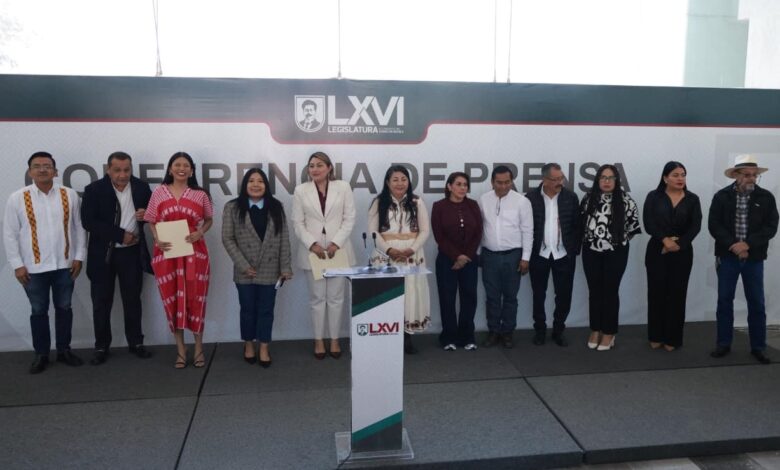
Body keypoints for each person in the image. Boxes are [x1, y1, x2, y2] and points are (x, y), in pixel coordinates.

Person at [3, 151, 87, 373]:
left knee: (64, 308)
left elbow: (79, 227)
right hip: (33, 268)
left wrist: (79, 257)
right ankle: (41, 354)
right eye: (37, 166)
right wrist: (17, 265)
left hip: (65, 265)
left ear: (55, 171)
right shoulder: (17, 198)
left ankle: (64, 350)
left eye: (47, 166)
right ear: (30, 171)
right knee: (38, 311)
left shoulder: (69, 195)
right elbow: (10, 234)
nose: (42, 170)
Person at [81, 151, 154, 365]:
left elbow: (155, 214)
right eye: (117, 170)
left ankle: (136, 343)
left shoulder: (142, 187)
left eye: (126, 170)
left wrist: (146, 215)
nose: (122, 175)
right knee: (101, 302)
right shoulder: (94, 190)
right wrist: (120, 235)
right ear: (108, 170)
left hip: (132, 254)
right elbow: (88, 221)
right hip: (102, 255)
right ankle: (101, 346)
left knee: (133, 300)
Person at [144, 151, 213, 369]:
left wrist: (200, 232)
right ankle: (181, 350)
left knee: (196, 298)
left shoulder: (200, 194)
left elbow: (209, 219)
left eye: (186, 165)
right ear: (170, 168)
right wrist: (157, 238)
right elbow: (151, 220)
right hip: (167, 252)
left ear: (192, 170)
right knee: (172, 299)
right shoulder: (159, 192)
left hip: (194, 252)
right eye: (177, 164)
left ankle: (199, 348)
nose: (181, 168)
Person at [709, 154, 778, 364]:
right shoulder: (722, 196)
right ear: (736, 175)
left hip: (754, 257)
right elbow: (714, 225)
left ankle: (758, 347)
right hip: (727, 257)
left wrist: (747, 245)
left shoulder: (766, 197)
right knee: (724, 300)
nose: (752, 179)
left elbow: (771, 226)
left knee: (756, 302)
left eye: (755, 175)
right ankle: (723, 344)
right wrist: (734, 245)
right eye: (747, 175)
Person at [222, 168, 292, 368]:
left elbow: (284, 239)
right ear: (245, 184)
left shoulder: (276, 206)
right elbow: (227, 238)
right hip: (245, 270)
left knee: (266, 310)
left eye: (260, 181)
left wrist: (285, 267)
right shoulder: (232, 207)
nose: (255, 184)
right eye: (251, 180)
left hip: (270, 269)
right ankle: (248, 344)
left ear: (266, 185)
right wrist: (243, 265)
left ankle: (264, 346)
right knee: (247, 309)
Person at [291, 151, 356, 359]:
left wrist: (337, 243)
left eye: (320, 165)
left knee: (336, 298)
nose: (315, 169)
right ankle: (318, 340)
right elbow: (297, 223)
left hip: (339, 251)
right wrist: (312, 244)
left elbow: (349, 218)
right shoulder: (301, 190)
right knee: (317, 298)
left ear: (329, 168)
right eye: (311, 165)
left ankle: (334, 339)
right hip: (313, 253)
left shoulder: (343, 187)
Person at [368, 165, 431, 354]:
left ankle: (406, 337)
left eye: (404, 179)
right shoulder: (378, 202)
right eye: (395, 179)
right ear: (387, 182)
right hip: (385, 256)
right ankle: (387, 337)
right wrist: (389, 250)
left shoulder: (417, 201)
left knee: (410, 292)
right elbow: (373, 232)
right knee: (387, 294)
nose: (400, 183)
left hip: (412, 255)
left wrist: (411, 249)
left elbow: (425, 230)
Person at [579, 164, 641, 351]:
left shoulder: (626, 201)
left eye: (611, 178)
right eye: (603, 177)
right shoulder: (588, 198)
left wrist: (614, 242)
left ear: (616, 180)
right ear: (598, 180)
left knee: (610, 291)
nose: (606, 181)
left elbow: (633, 228)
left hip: (616, 253)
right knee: (594, 291)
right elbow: (581, 223)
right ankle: (595, 329)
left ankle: (609, 332)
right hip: (591, 251)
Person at [643, 161, 702, 352]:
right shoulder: (653, 197)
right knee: (656, 293)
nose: (680, 178)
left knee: (677, 294)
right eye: (675, 175)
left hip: (682, 252)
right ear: (665, 178)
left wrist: (679, 244)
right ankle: (656, 335)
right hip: (657, 250)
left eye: (683, 175)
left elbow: (695, 226)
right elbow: (648, 223)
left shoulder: (692, 199)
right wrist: (665, 240)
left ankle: (672, 338)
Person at [526, 163, 580, 347]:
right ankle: (540, 330)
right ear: (544, 179)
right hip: (539, 254)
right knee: (538, 294)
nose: (559, 182)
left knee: (564, 295)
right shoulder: (531, 198)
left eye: (561, 178)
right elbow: (526, 227)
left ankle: (559, 330)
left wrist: (573, 250)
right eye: (555, 179)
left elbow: (577, 226)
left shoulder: (570, 197)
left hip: (563, 255)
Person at [478, 165, 533, 349]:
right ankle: (494, 331)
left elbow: (528, 231)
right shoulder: (483, 200)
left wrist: (525, 258)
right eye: (499, 182)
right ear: (492, 182)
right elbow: (479, 228)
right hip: (489, 256)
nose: (503, 186)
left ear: (512, 181)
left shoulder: (522, 201)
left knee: (510, 297)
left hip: (513, 256)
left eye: (507, 182)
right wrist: (477, 254)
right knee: (492, 297)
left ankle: (508, 332)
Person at [431, 172, 483, 351]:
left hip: (470, 260)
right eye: (458, 184)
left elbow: (478, 233)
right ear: (449, 186)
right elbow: (439, 236)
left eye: (465, 185)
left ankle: (467, 336)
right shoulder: (439, 206)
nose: (462, 188)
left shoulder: (473, 205)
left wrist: (466, 256)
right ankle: (448, 337)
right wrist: (456, 256)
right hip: (447, 260)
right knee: (447, 298)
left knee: (469, 297)